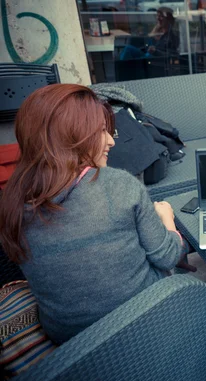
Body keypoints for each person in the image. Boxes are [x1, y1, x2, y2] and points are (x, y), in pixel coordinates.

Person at [0, 84, 186, 344]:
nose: (111, 141)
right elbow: (167, 257)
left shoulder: (12, 200)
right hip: (141, 317)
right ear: (69, 136)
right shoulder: (119, 184)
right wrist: (167, 219)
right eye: (101, 132)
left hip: (68, 339)